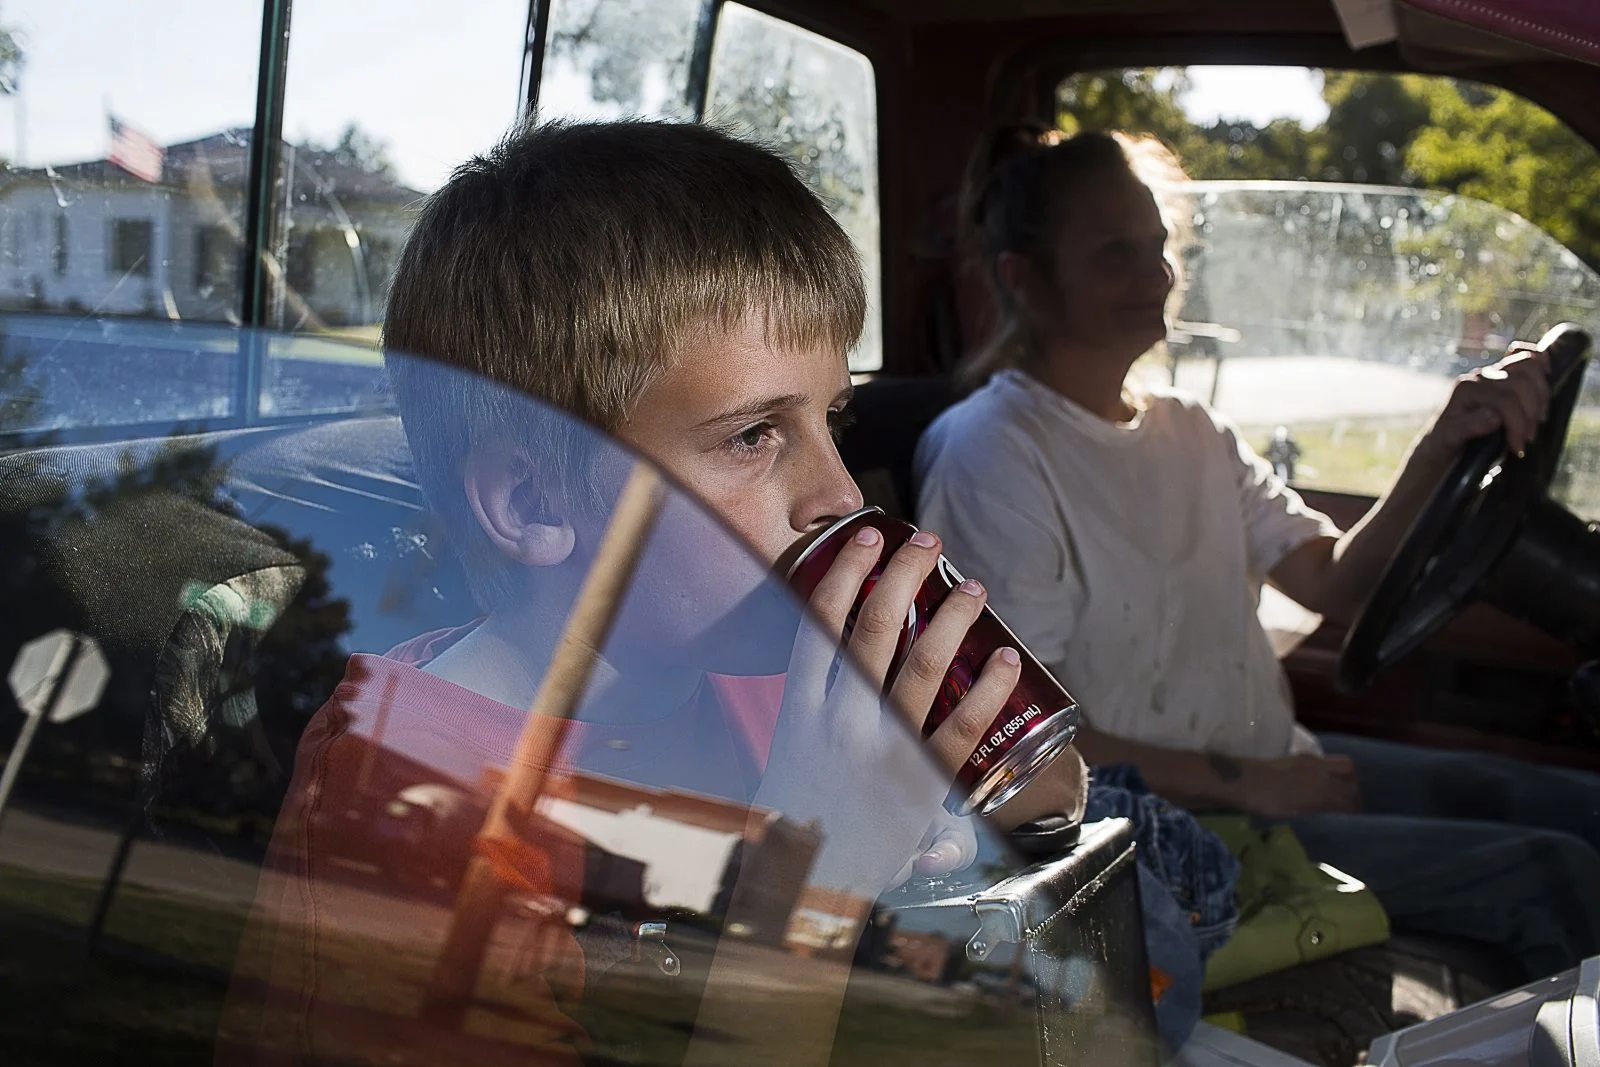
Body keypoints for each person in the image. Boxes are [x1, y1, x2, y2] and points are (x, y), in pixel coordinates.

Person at [218, 119, 1096, 1067]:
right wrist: (820, 879)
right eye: (752, 436)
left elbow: (1055, 790)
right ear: (532, 498)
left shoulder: (763, 676)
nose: (841, 496)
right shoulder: (402, 811)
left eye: (831, 418)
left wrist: (932, 790)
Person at [916, 121, 1600, 984]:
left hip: (1274, 767)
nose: (1154, 273)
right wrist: (1249, 785)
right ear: (1025, 279)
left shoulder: (1189, 428)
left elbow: (1334, 582)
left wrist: (1437, 448)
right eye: (1114, 253)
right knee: (1560, 875)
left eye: (1159, 247)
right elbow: (1028, 747)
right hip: (1169, 824)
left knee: (1581, 806)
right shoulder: (994, 450)